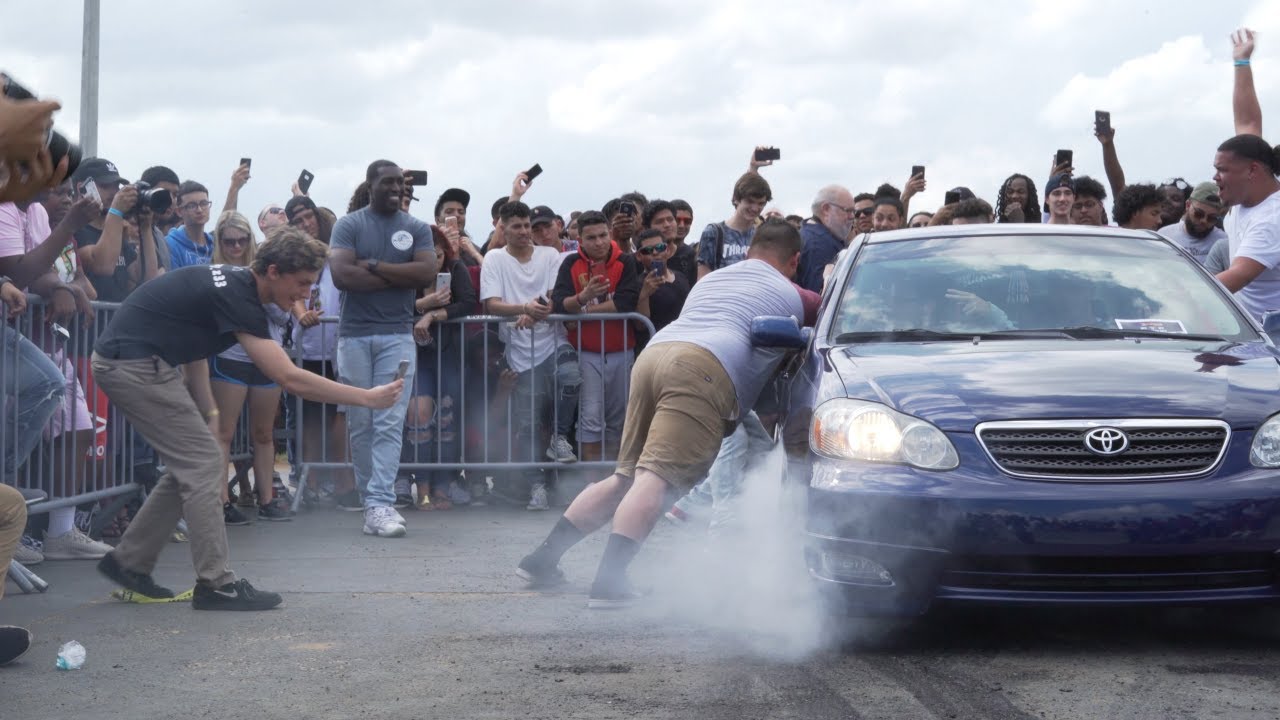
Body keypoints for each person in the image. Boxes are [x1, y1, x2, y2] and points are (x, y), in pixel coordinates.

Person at [91, 229, 404, 610]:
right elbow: (288, 377)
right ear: (273, 271)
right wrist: (367, 398)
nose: (305, 294)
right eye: (302, 283)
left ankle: (128, 563)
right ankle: (216, 584)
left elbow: (191, 344)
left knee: (194, 464)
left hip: (141, 361)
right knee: (204, 463)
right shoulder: (239, 296)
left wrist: (208, 410)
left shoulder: (233, 284)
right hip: (132, 363)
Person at [516, 218, 805, 608]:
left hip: (655, 355)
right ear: (794, 260)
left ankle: (541, 561)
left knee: (625, 477)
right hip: (701, 368)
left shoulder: (713, 280)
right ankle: (609, 584)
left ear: (751, 251)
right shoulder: (791, 291)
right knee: (655, 480)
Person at [0, 195, 111, 560]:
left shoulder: (36, 215)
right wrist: (57, 285)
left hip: (51, 342)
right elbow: (21, 270)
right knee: (36, 402)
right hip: (21, 342)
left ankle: (61, 531)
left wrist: (65, 286)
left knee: (80, 429)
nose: (65, 196)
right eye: (57, 186)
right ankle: (9, 525)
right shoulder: (11, 210)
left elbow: (61, 274)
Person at [329, 160, 436, 538]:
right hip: (354, 335)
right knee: (361, 423)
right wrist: (397, 275)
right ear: (371, 185)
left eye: (400, 184)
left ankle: (379, 503)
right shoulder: (349, 225)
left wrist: (372, 265)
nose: (396, 189)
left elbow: (425, 275)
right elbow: (343, 277)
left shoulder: (417, 228)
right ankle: (370, 499)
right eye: (388, 182)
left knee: (390, 421)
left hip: (397, 335)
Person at [481, 201, 581, 509]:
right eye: (518, 226)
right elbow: (491, 305)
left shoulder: (549, 255)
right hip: (519, 351)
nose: (525, 232)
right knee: (527, 423)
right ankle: (536, 485)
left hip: (553, 341)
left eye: (528, 226)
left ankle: (560, 438)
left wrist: (533, 312)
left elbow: (552, 297)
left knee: (571, 377)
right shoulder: (495, 258)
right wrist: (524, 308)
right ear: (504, 228)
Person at [207, 212, 295, 523]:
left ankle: (266, 497)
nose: (235, 246)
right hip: (230, 356)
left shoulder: (268, 271)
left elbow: (285, 315)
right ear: (220, 242)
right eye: (228, 241)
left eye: (241, 240)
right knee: (224, 432)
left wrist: (267, 297)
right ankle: (221, 500)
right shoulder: (214, 271)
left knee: (263, 432)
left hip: (267, 357)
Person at [551, 210, 641, 468]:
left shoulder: (625, 261)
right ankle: (590, 484)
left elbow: (625, 303)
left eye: (603, 235)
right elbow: (559, 304)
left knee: (619, 420)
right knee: (590, 418)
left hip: (621, 350)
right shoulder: (570, 264)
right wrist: (583, 296)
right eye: (591, 238)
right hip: (586, 352)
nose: (599, 242)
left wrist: (582, 310)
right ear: (579, 240)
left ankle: (612, 481)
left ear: (610, 234)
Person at [403, 226, 478, 510]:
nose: (433, 261)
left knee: (446, 418)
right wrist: (425, 306)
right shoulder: (406, 276)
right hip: (416, 355)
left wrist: (433, 315)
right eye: (427, 255)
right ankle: (422, 486)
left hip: (449, 353)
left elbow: (468, 303)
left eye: (438, 254)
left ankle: (442, 485)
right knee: (419, 414)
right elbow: (394, 308)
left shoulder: (456, 269)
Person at [72, 158, 164, 302]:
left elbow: (147, 277)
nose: (113, 192)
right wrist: (116, 211)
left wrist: (146, 228)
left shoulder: (115, 232)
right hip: (85, 323)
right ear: (81, 188)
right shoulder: (74, 228)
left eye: (116, 186)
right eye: (105, 186)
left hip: (112, 322)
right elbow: (103, 266)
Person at [1214, 135, 1280, 322]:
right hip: (1250, 333)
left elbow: (1237, 276)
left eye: (1222, 170)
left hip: (1271, 342)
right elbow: (1248, 121)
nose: (1215, 177)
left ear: (1252, 170)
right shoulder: (1244, 193)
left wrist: (1176, 299)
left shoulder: (1272, 219)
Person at [696, 172, 771, 279]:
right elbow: (702, 279)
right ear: (736, 199)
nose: (755, 208)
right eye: (750, 201)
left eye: (761, 204)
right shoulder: (713, 233)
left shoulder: (763, 236)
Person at [633, 229, 690, 344]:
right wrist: (644, 294)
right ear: (639, 256)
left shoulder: (681, 277)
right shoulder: (637, 283)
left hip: (684, 341)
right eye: (647, 251)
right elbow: (641, 325)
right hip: (655, 345)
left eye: (660, 247)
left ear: (667, 250)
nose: (654, 253)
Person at [796, 185, 855, 293]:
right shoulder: (818, 245)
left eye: (853, 212)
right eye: (848, 211)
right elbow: (820, 297)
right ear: (826, 209)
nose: (852, 217)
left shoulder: (810, 234)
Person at [1158, 182, 1227, 266]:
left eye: (1211, 218)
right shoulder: (1164, 236)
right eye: (1198, 214)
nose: (1204, 221)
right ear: (1188, 205)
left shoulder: (1224, 242)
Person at [643, 200, 697, 289]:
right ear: (647, 228)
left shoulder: (692, 256)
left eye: (670, 219)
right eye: (660, 221)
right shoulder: (642, 256)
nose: (667, 225)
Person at [165, 181, 216, 269]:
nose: (199, 210)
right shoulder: (170, 245)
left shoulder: (215, 243)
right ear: (179, 211)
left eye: (204, 203)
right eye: (192, 206)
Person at [434, 188, 483, 267]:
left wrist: (475, 254)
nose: (457, 215)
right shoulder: (428, 247)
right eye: (449, 211)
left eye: (461, 212)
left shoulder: (474, 249)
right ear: (438, 220)